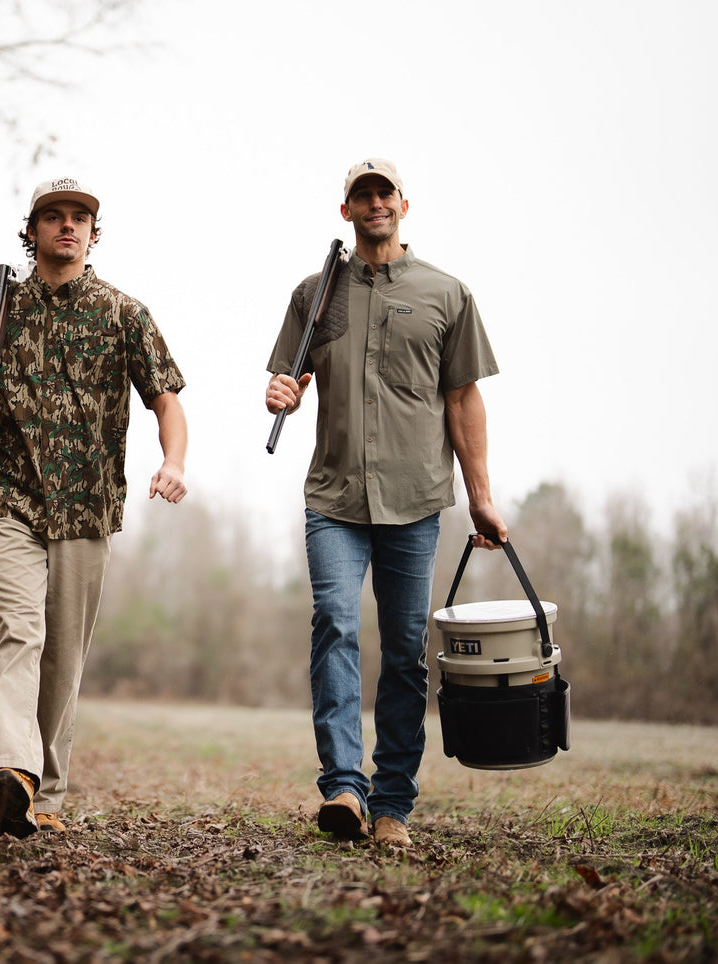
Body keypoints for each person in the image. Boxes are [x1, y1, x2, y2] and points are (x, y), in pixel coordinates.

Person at [263, 158, 507, 849]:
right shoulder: (316, 291)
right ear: (345, 211)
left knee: (403, 651)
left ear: (404, 204)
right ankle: (343, 786)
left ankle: (393, 804)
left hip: (414, 500)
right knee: (334, 624)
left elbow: (463, 400)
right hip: (333, 497)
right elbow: (288, 377)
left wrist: (482, 498)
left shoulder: (445, 294)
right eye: (359, 196)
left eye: (382, 193)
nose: (373, 204)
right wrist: (282, 393)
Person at [0, 177, 188, 838]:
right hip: (6, 496)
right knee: (16, 631)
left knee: (62, 654)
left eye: (78, 218)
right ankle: (11, 771)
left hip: (85, 505)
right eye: (52, 217)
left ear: (93, 231)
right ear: (29, 231)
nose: (66, 226)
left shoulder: (123, 314)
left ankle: (44, 791)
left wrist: (172, 462)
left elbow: (166, 400)